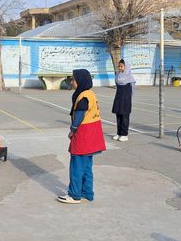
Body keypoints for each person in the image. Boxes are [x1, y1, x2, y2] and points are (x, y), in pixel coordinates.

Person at [57, 69, 106, 204]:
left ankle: (74, 195)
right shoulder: (90, 93)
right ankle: (87, 192)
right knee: (87, 167)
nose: (72, 82)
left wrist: (72, 130)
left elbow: (79, 116)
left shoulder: (83, 96)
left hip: (84, 134)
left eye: (73, 79)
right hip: (93, 133)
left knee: (76, 166)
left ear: (80, 81)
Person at [111, 59, 135, 142]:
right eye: (119, 66)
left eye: (121, 66)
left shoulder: (130, 77)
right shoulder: (117, 76)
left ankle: (125, 134)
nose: (120, 68)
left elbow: (132, 90)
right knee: (118, 116)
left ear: (126, 67)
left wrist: (128, 98)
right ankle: (119, 133)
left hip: (126, 99)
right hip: (118, 98)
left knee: (125, 117)